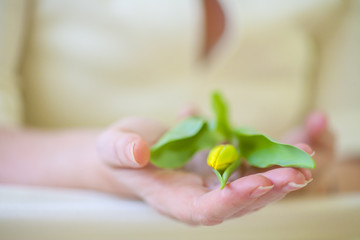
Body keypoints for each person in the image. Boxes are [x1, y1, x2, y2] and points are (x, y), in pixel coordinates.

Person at [0, 0, 350, 225]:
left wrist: (320, 174)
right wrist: (109, 164)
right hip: (56, 227)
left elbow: (353, 149)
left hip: (290, 227)